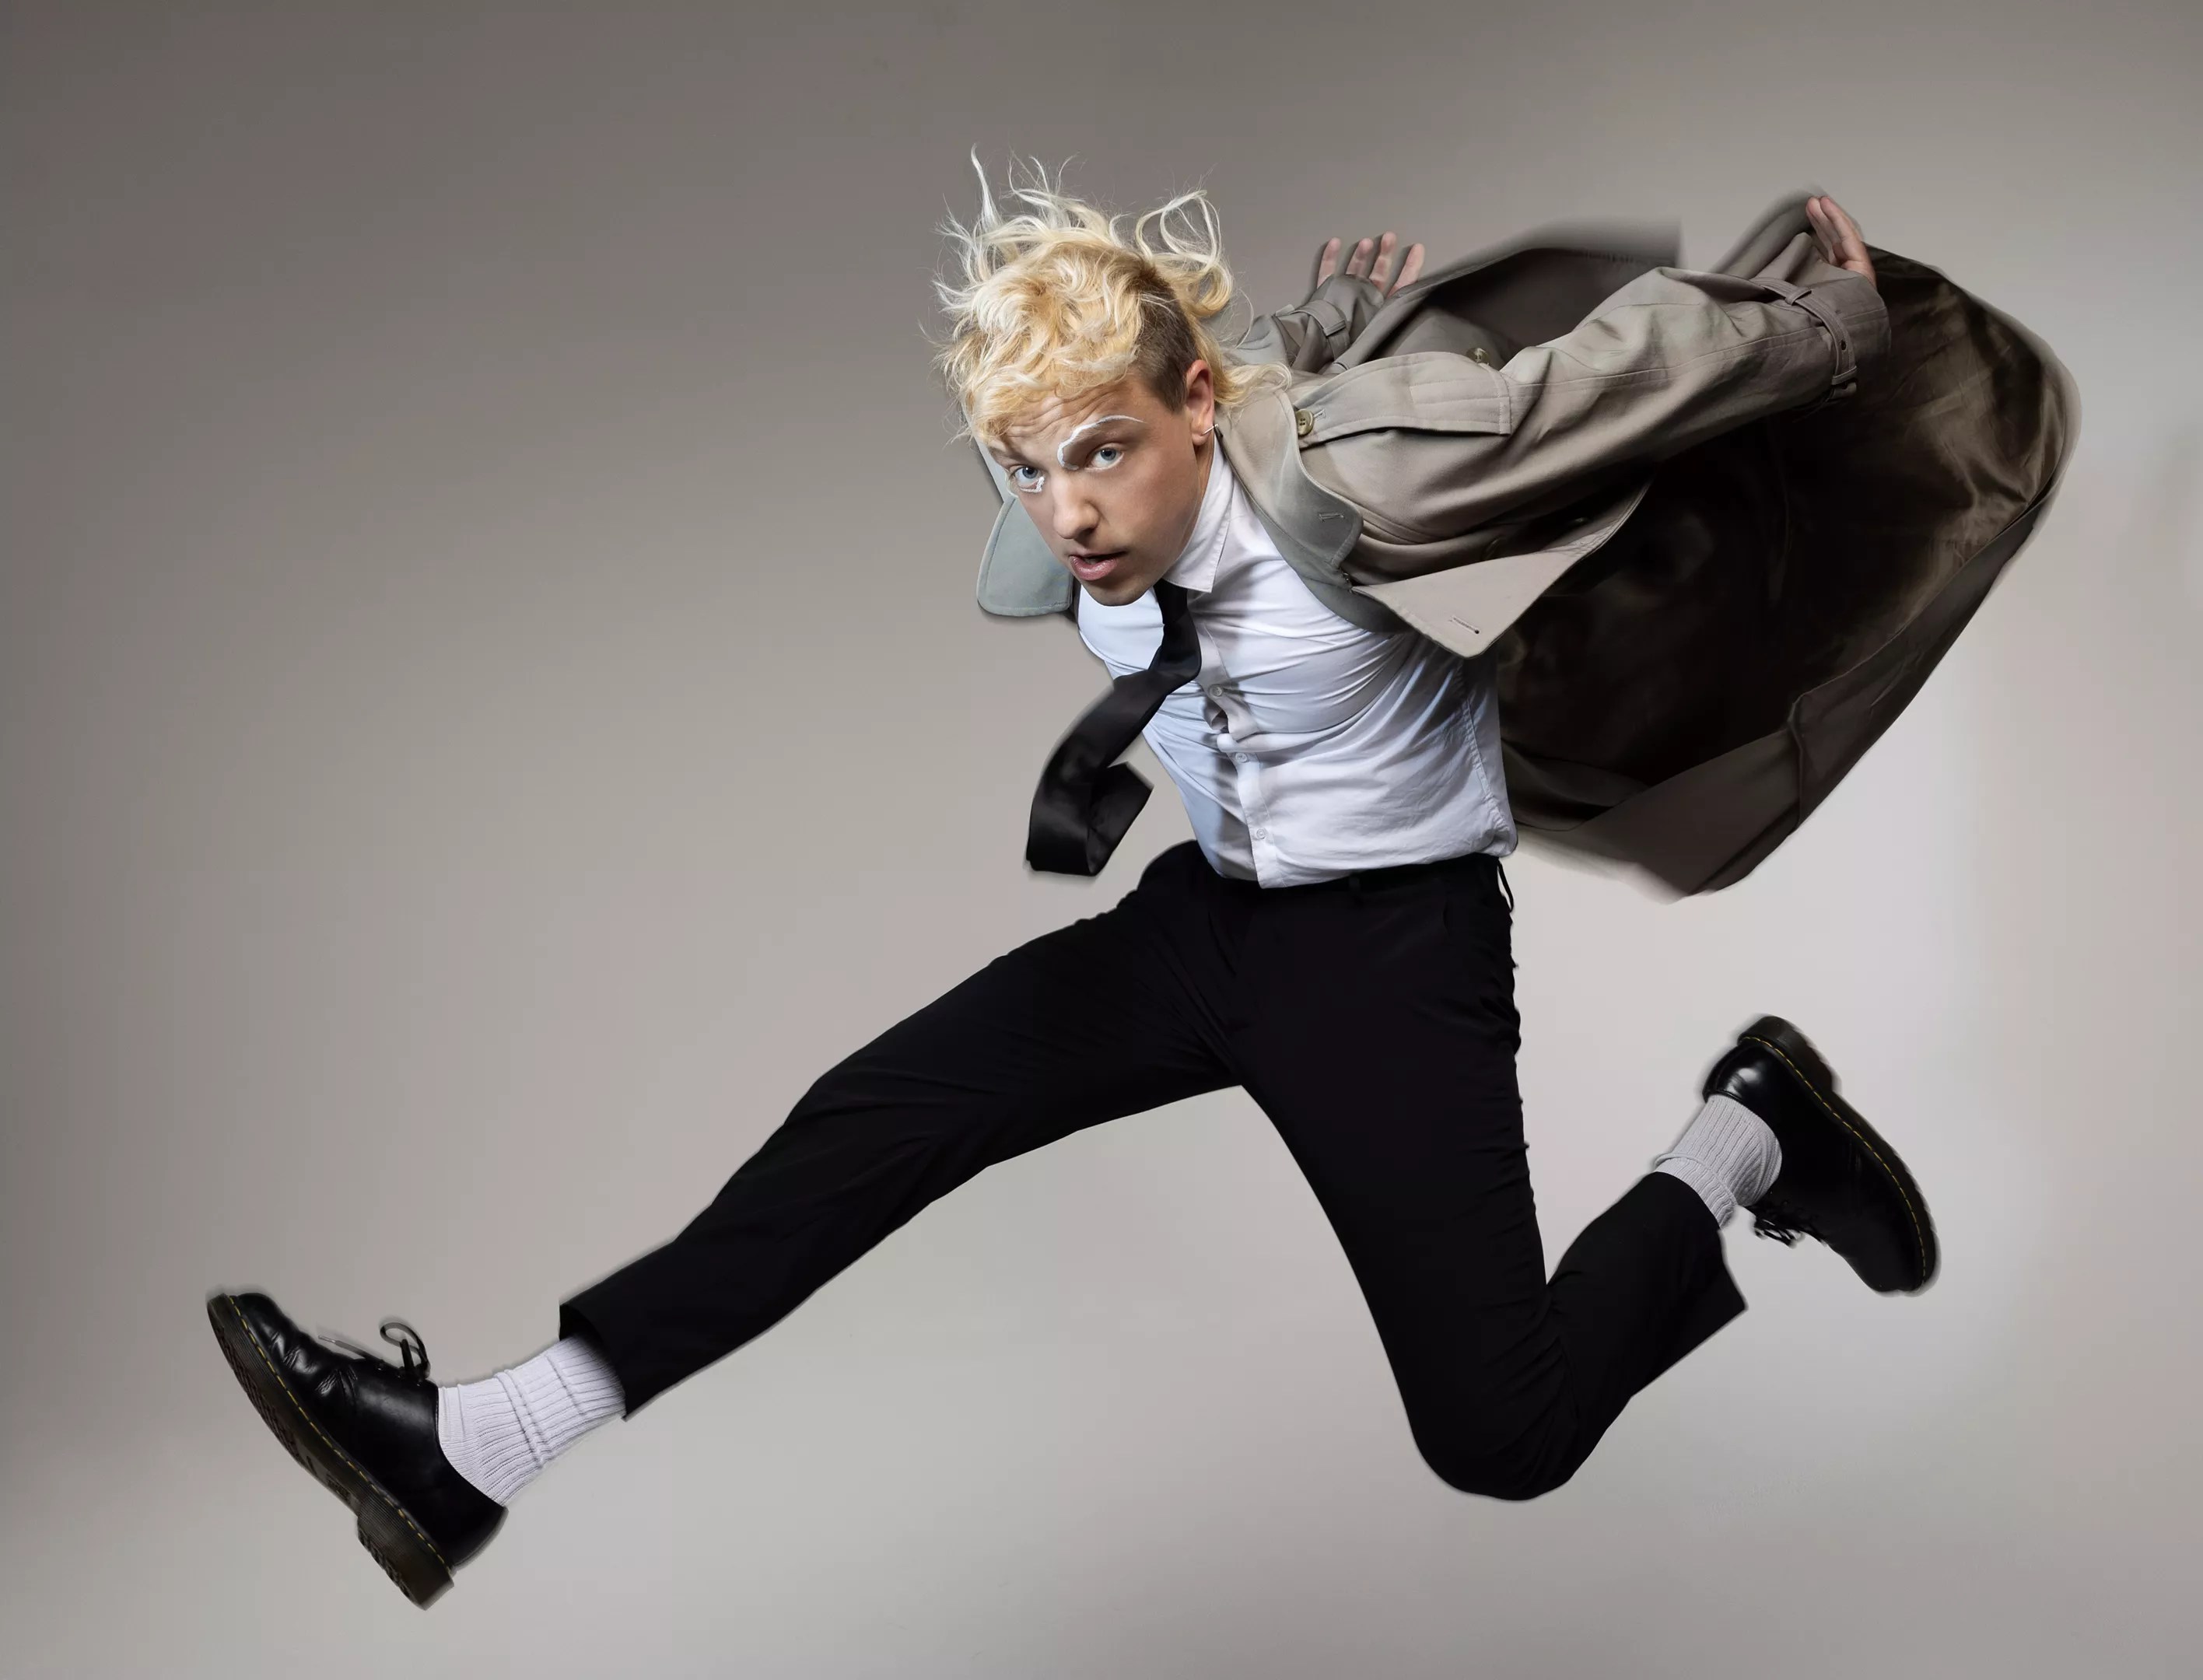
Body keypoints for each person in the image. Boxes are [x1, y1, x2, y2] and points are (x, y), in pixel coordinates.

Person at [207, 166, 1942, 1610]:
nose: (1068, 515)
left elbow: (1600, 384)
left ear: (1195, 411)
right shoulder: (1106, 496)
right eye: (1027, 468)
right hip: (1213, 924)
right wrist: (1300, 327)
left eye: (1100, 453)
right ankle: (481, 1445)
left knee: (1505, 1433)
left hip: (1388, 959)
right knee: (882, 1116)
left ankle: (1750, 1132)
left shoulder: (1363, 468)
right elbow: (1183, 411)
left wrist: (1823, 328)